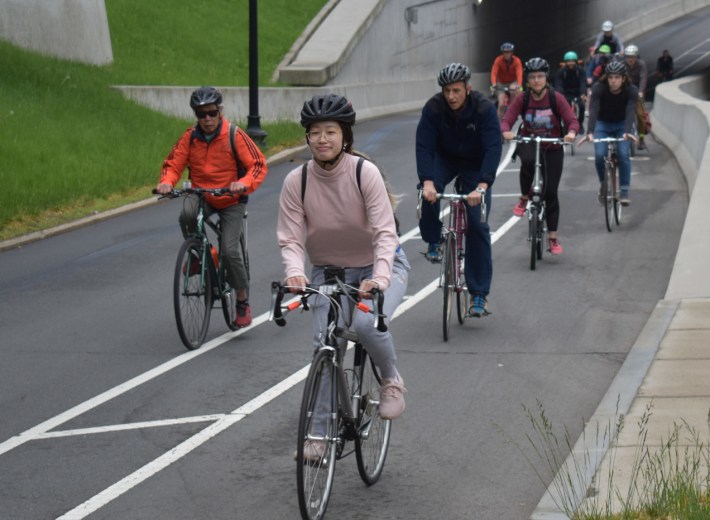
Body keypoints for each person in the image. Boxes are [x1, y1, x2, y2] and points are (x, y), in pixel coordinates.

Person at [277, 94, 410, 458]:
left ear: (345, 136)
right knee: (325, 344)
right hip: (328, 272)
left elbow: (385, 232)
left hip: (379, 267)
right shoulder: (296, 180)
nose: (322, 139)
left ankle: (391, 380)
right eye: (314, 132)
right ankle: (318, 433)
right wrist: (295, 273)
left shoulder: (362, 172)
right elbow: (290, 236)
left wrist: (379, 279)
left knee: (367, 327)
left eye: (330, 131)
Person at [156, 86, 267, 327]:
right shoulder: (190, 137)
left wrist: (243, 183)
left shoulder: (234, 134)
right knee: (187, 212)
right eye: (201, 114)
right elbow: (173, 164)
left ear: (220, 111)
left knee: (229, 250)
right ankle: (198, 254)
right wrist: (166, 182)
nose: (207, 119)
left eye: (211, 113)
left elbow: (258, 165)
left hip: (230, 199)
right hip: (202, 195)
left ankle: (241, 300)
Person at [416, 62, 502, 317]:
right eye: (447, 91)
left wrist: (483, 185)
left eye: (456, 90)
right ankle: (434, 240)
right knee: (427, 193)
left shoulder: (484, 108)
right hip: (445, 159)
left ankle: (478, 295)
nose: (451, 96)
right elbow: (423, 146)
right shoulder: (433, 108)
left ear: (468, 88)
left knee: (477, 225)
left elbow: (493, 148)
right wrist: (428, 181)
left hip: (475, 164)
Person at [502, 58, 580, 255]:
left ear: (546, 78)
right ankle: (524, 197)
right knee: (527, 160)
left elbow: (571, 120)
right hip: (530, 142)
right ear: (527, 81)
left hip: (553, 147)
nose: (536, 80)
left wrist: (570, 133)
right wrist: (505, 131)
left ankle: (552, 238)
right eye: (532, 77)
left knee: (551, 193)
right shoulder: (522, 98)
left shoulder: (556, 98)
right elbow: (507, 119)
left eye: (540, 76)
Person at [579, 60, 638, 206]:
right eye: (611, 77)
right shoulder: (599, 88)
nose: (613, 81)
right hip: (603, 124)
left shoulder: (631, 90)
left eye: (617, 77)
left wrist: (626, 131)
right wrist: (590, 132)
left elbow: (631, 112)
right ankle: (603, 184)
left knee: (623, 154)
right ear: (607, 77)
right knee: (600, 155)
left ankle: (624, 191)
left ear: (623, 78)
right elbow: (593, 109)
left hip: (622, 124)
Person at [554, 51, 587, 133]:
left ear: (575, 61)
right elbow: (558, 84)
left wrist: (583, 93)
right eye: (569, 61)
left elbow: (583, 82)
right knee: (565, 109)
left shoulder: (580, 71)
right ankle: (565, 125)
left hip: (577, 93)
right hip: (566, 93)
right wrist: (561, 95)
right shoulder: (561, 72)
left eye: (572, 61)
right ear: (566, 62)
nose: (571, 63)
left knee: (582, 106)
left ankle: (580, 123)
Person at [490, 42, 524, 119]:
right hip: (501, 82)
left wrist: (519, 85)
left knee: (513, 90)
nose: (506, 54)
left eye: (508, 52)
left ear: (512, 52)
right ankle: (498, 122)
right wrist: (494, 84)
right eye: (504, 52)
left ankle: (512, 111)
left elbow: (519, 73)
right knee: (501, 104)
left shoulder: (517, 60)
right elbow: (494, 73)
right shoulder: (498, 60)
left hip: (512, 81)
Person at [624, 44, 649, 149]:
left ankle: (642, 139)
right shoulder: (622, 65)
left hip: (638, 93)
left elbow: (643, 78)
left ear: (636, 57)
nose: (630, 59)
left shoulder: (641, 65)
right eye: (628, 57)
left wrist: (641, 92)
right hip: (625, 92)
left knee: (641, 116)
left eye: (632, 57)